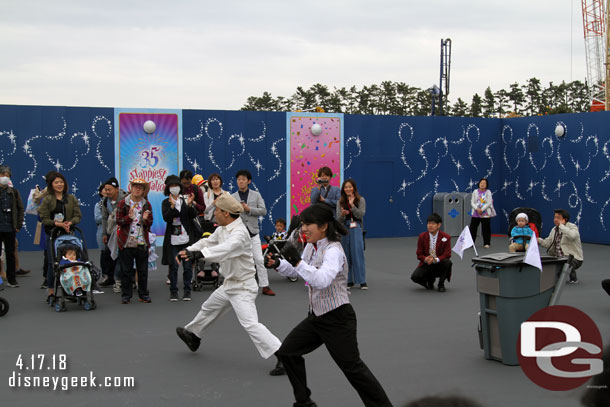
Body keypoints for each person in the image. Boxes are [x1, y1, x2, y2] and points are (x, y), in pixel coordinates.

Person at [266, 203, 393, 407]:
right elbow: (298, 271)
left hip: (338, 319)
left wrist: (297, 262)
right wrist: (279, 264)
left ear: (324, 226)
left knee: (353, 368)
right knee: (287, 352)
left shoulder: (334, 250)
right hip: (316, 317)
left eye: (308, 224)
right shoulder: (311, 246)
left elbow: (322, 280)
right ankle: (304, 402)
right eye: (302, 224)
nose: (303, 228)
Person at [174, 193, 283, 375]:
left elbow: (224, 249)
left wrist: (200, 255)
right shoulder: (223, 228)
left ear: (225, 213)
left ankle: (285, 355)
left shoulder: (240, 234)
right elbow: (208, 242)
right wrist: (189, 250)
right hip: (230, 284)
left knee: (250, 324)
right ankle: (193, 336)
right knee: (209, 307)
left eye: (216, 210)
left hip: (243, 287)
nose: (214, 213)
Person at [231, 169, 276, 296]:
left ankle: (265, 286)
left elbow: (263, 211)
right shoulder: (232, 196)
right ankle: (238, 287)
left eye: (243, 179)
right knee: (238, 260)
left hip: (253, 232)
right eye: (239, 179)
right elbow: (228, 213)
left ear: (249, 181)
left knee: (259, 260)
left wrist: (249, 209)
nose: (240, 181)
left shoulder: (256, 195)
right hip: (238, 233)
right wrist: (238, 210)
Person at [38, 172, 82, 300]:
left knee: (70, 261)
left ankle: (70, 287)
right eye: (56, 182)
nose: (59, 184)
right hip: (53, 234)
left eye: (61, 182)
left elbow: (77, 215)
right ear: (51, 184)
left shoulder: (71, 198)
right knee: (54, 263)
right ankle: (51, 289)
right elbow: (43, 218)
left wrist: (70, 222)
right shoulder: (47, 199)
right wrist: (57, 224)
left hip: (68, 234)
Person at [115, 178, 153, 304]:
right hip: (126, 241)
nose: (137, 189)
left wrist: (145, 220)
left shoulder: (146, 204)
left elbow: (149, 224)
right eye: (135, 186)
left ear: (143, 191)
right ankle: (126, 295)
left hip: (142, 241)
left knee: (142, 271)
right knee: (126, 270)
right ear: (131, 188)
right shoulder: (123, 203)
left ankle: (143, 294)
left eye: (140, 187)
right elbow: (118, 221)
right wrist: (129, 218)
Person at [161, 175, 197, 302]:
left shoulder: (185, 200)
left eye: (176, 186)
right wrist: (172, 207)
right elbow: (167, 218)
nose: (174, 188)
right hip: (173, 241)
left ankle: (187, 291)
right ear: (168, 188)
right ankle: (173, 292)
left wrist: (190, 205)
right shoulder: (166, 202)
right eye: (171, 186)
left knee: (187, 267)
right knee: (174, 267)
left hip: (186, 239)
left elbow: (192, 215)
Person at [538, 209, 583, 284]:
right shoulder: (554, 229)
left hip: (575, 258)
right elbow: (547, 243)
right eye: (554, 217)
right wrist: (538, 240)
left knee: (567, 263)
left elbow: (572, 236)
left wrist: (561, 226)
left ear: (564, 219)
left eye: (558, 218)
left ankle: (573, 277)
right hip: (558, 258)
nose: (555, 219)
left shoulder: (573, 227)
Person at [337, 178, 367, 290]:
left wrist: (352, 206)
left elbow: (360, 215)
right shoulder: (340, 202)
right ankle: (348, 280)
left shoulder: (361, 200)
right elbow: (338, 219)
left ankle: (362, 281)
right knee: (346, 254)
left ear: (354, 188)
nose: (348, 189)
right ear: (343, 189)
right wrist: (343, 214)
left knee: (357, 253)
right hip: (345, 228)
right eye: (346, 187)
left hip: (356, 227)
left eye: (350, 186)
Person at [411, 213, 452, 292]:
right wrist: (426, 259)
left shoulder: (446, 237)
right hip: (427, 263)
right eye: (429, 223)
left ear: (439, 225)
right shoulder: (422, 236)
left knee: (448, 262)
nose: (430, 226)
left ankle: (441, 284)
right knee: (415, 277)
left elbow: (447, 254)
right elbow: (419, 254)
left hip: (439, 262)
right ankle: (429, 281)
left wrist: (436, 259)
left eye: (433, 224)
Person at [99, 177, 128, 291]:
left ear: (117, 189)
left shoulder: (125, 198)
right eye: (105, 189)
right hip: (112, 232)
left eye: (109, 189)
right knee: (108, 253)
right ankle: (110, 277)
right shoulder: (105, 201)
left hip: (124, 232)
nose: (107, 192)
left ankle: (119, 280)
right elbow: (104, 218)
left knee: (122, 256)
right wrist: (104, 234)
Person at [0, 165, 24, 288]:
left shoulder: (14, 192)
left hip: (10, 227)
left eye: (7, 176)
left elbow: (20, 209)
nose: (5, 177)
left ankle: (12, 279)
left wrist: (18, 225)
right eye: (2, 175)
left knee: (10, 254)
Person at [469, 178, 495, 248]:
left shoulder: (488, 192)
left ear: (486, 185)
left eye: (484, 183)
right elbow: (472, 202)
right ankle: (471, 243)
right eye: (481, 183)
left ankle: (487, 243)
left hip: (485, 213)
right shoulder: (475, 191)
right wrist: (477, 209)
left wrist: (482, 209)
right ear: (479, 184)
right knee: (473, 228)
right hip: (476, 212)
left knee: (486, 228)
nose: (482, 184)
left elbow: (489, 202)